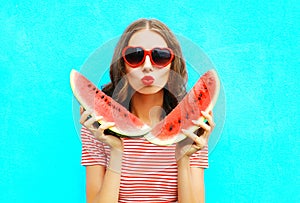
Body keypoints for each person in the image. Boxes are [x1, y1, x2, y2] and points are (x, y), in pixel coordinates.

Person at [79, 18, 215, 203]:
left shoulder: (192, 124)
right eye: (135, 56)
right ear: (123, 64)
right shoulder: (97, 125)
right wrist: (117, 151)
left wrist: (183, 158)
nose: (148, 66)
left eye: (160, 56)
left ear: (172, 63)